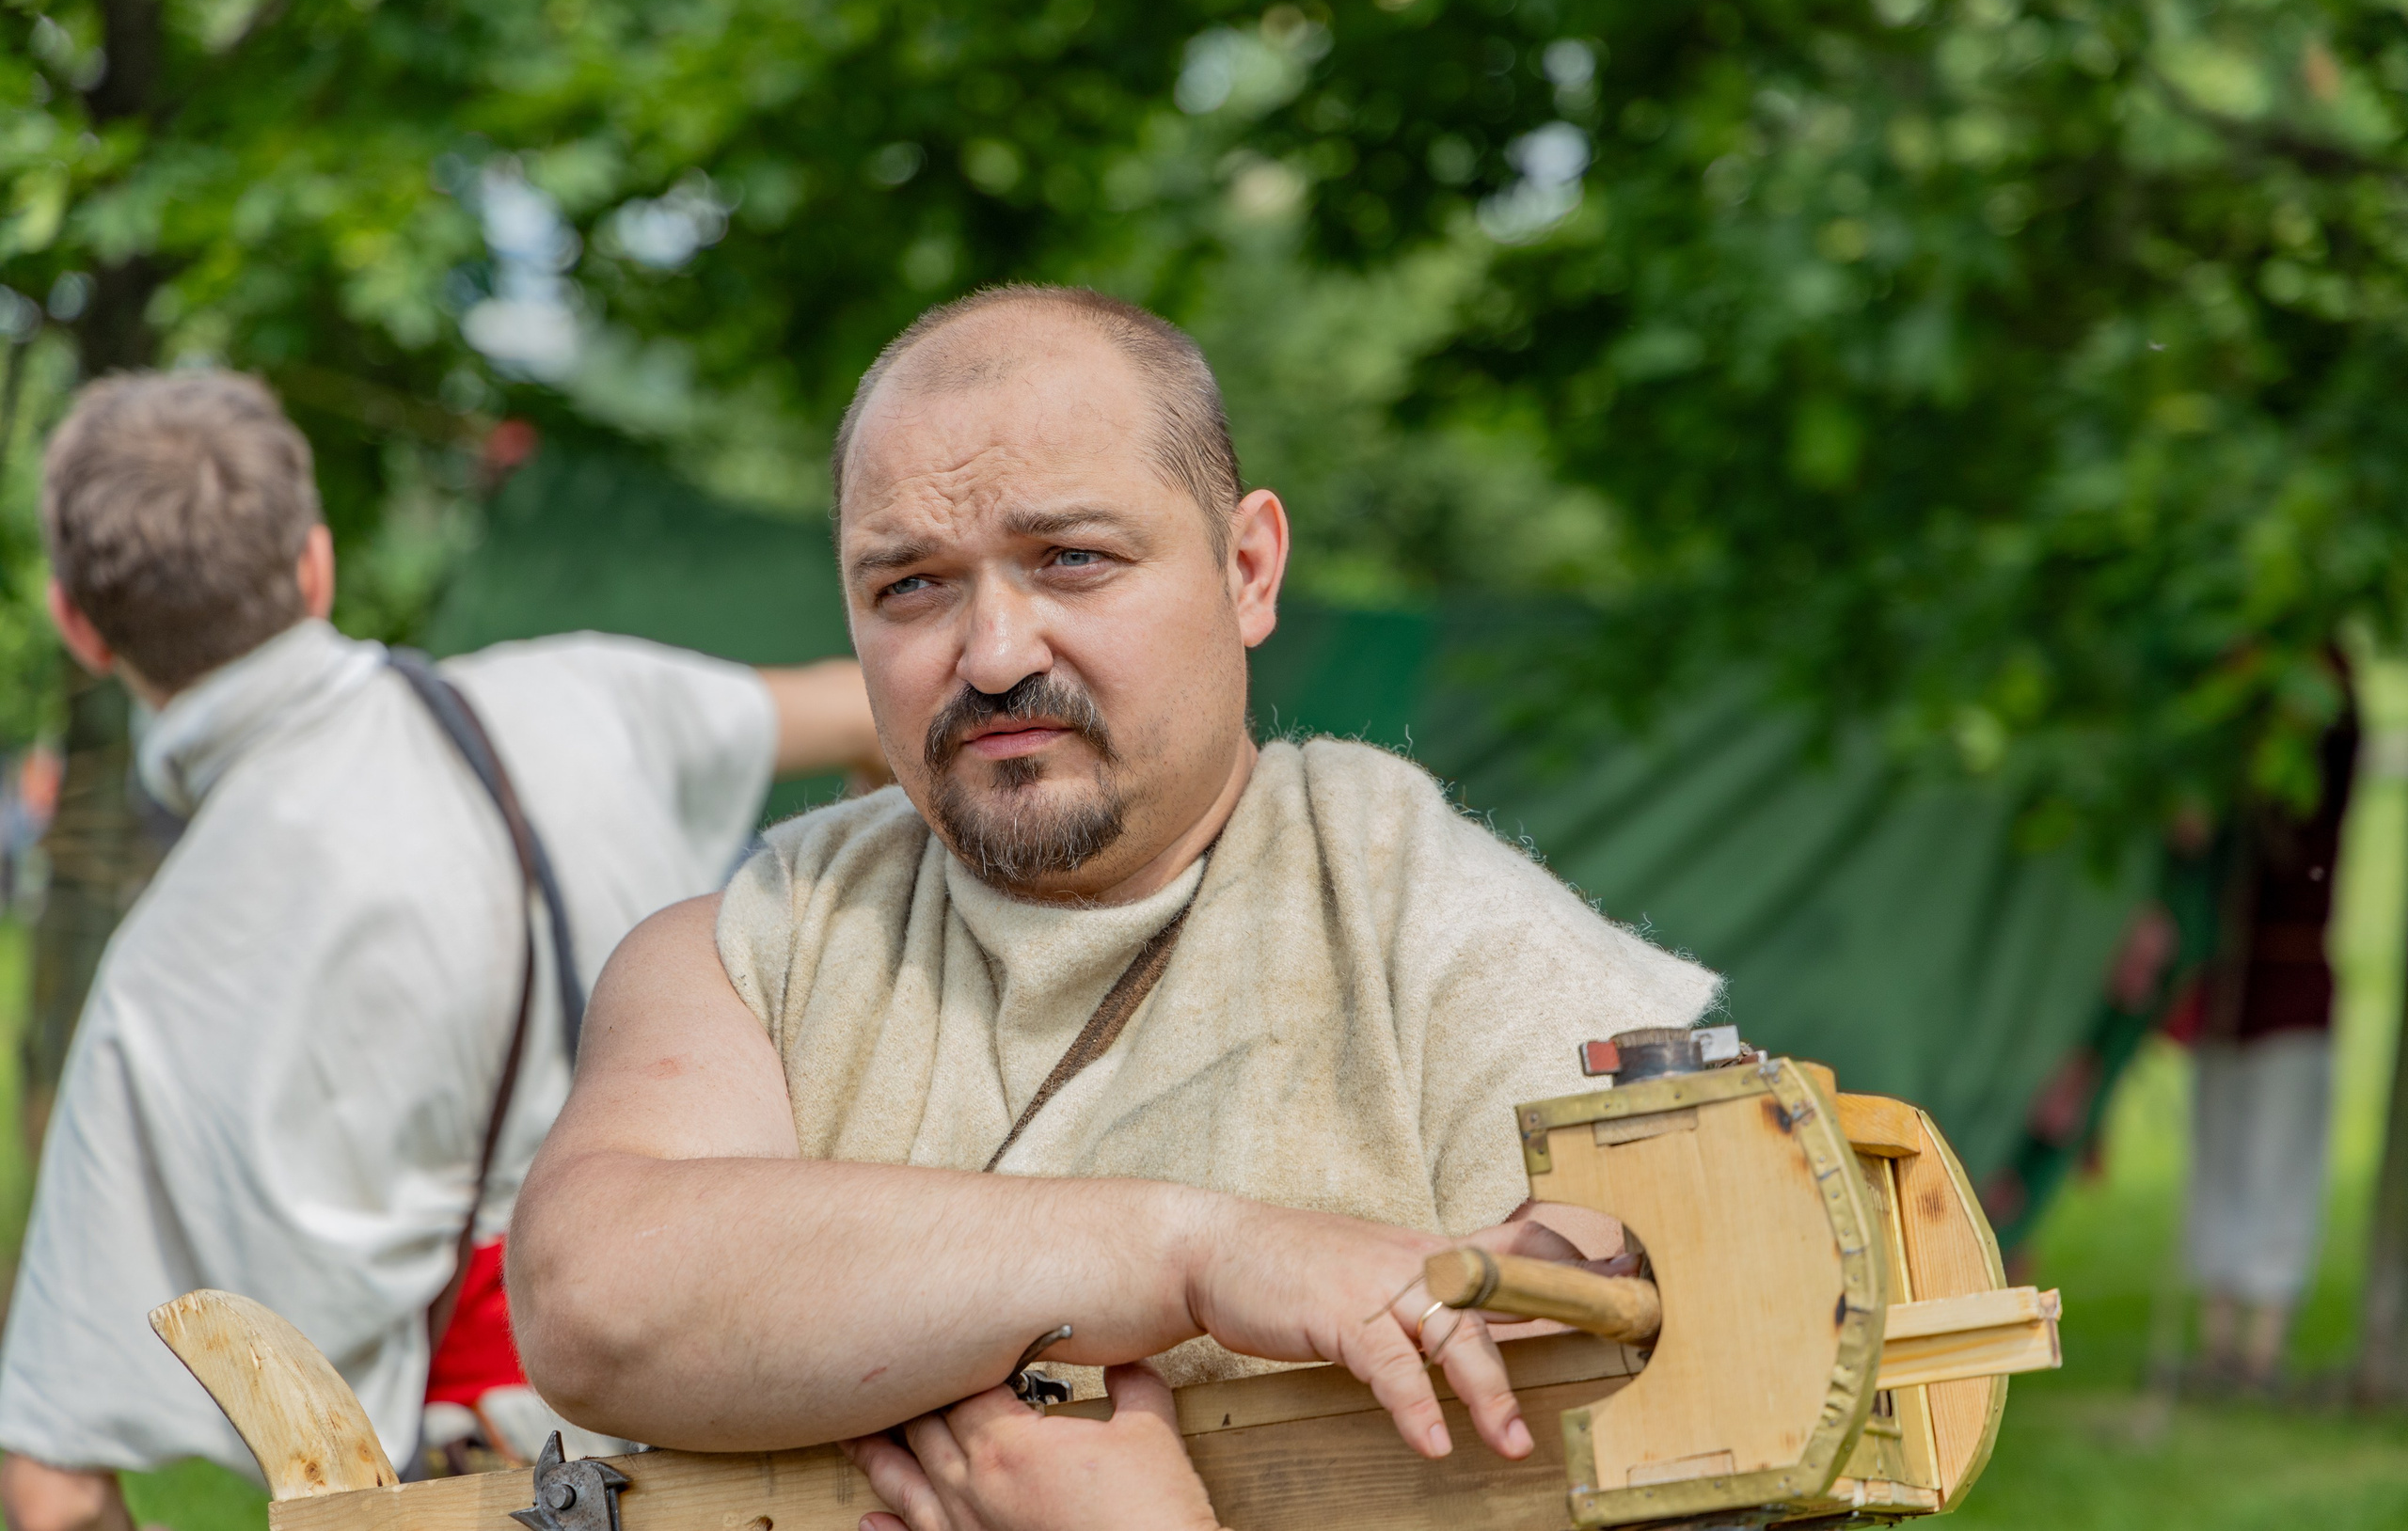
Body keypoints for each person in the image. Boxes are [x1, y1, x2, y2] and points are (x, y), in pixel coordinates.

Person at [509, 283, 1719, 1529]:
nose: (991, 654)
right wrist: (1199, 1255)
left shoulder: (1448, 925)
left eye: (1072, 558)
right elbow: (596, 1297)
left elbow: (1638, 1343)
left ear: (1247, 568)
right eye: (912, 584)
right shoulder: (746, 951)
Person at [0, 371, 886, 1531]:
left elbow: (52, 1487)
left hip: (487, 1494)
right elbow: (879, 709)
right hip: (788, 1414)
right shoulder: (585, 693)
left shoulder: (159, 980)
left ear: (77, 622)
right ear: (314, 563)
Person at [2183, 707, 2356, 1393]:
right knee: (2219, 1159)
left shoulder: (2319, 730)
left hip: (2290, 999)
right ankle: (2218, 1337)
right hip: (2231, 996)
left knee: (2278, 1163)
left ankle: (2263, 1348)